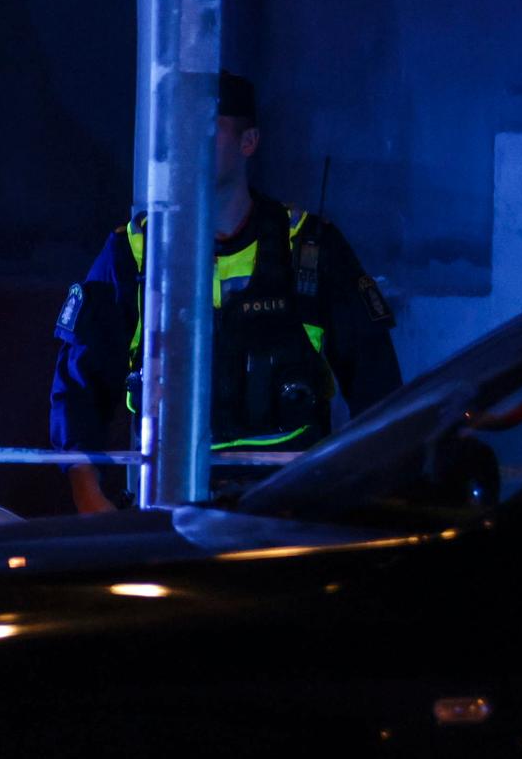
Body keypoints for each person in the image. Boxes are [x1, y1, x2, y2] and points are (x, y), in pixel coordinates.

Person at [51, 71, 399, 485]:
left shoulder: (309, 247)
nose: (188, 142)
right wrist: (88, 494)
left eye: (206, 128)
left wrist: (372, 490)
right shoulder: (135, 253)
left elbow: (378, 388)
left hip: (286, 505)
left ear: (248, 142)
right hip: (170, 503)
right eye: (179, 129)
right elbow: (78, 389)